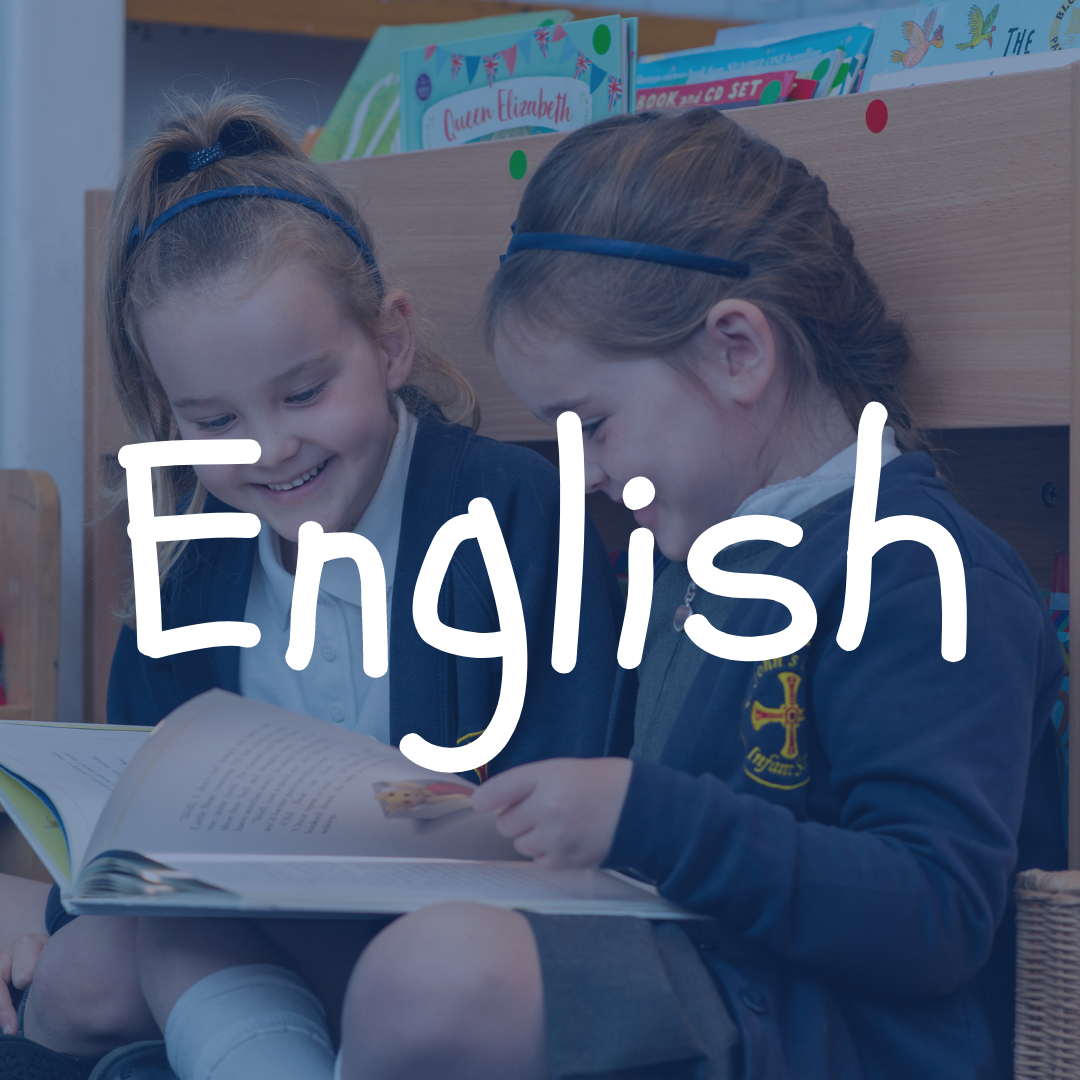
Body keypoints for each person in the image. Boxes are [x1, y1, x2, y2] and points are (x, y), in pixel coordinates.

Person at [325, 108, 1067, 1080]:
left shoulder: (921, 572)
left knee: (430, 980)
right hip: (716, 980)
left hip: (835, 1032)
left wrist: (645, 816)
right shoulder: (695, 570)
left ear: (737, 352)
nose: (583, 473)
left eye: (592, 424)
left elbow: (938, 911)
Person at [0, 92, 621, 1079]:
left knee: (144, 964)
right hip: (241, 937)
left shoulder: (511, 511)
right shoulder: (190, 558)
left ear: (390, 342)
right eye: (214, 421)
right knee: (82, 971)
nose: (270, 448)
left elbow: (573, 807)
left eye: (304, 392)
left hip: (458, 950)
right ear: (168, 415)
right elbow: (131, 834)